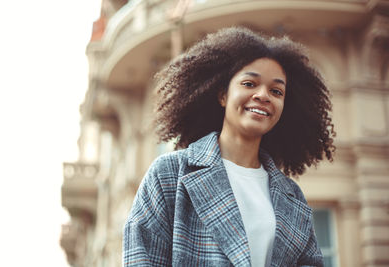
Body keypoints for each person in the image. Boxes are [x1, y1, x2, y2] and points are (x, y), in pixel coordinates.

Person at [123, 26, 335, 267]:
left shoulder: (292, 195)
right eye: (249, 83)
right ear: (223, 95)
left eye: (276, 91)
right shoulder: (170, 173)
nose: (263, 95)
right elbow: (141, 259)